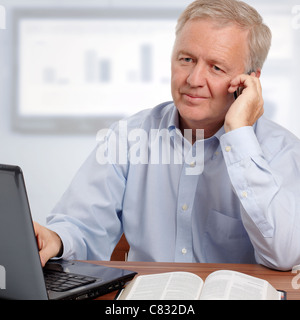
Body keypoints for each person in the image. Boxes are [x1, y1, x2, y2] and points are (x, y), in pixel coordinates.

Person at [34, 0, 300, 271]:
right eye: (186, 59)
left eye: (216, 67)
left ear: (250, 81)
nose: (194, 79)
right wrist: (55, 239)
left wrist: (240, 136)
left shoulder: (281, 151)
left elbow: (285, 255)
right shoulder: (129, 138)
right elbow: (80, 225)